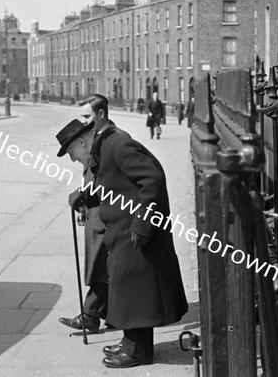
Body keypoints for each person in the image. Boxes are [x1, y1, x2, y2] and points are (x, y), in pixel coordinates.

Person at [71, 94, 188, 368]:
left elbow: (153, 179)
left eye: (87, 118)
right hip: (122, 228)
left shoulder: (117, 142)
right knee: (131, 291)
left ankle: (138, 352)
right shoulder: (104, 142)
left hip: (133, 229)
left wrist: (143, 224)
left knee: (136, 291)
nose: (83, 123)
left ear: (100, 114)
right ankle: (131, 343)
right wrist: (85, 197)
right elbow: (113, 185)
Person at [55, 119, 111, 333]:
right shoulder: (93, 153)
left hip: (105, 222)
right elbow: (92, 183)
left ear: (81, 143)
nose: (72, 159)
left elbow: (105, 184)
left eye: (71, 153)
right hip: (96, 218)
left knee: (100, 268)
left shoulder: (102, 152)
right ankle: (104, 314)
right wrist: (84, 208)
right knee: (101, 268)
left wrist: (82, 197)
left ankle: (91, 315)